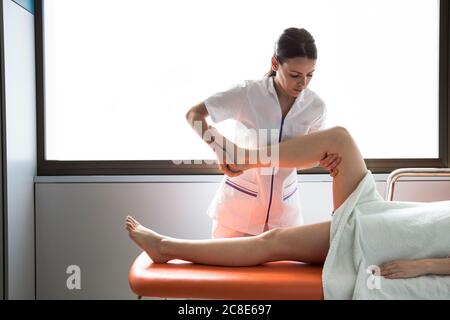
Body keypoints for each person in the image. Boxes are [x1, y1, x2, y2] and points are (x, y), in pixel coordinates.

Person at [125, 126, 450, 284]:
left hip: (385, 241)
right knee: (338, 140)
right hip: (392, 216)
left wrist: (423, 266)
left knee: (273, 242)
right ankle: (244, 159)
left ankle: (166, 248)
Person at [185, 27, 341, 239]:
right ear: (275, 64)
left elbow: (306, 159)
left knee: (282, 273)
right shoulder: (248, 93)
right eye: (295, 75)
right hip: (237, 212)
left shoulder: (315, 107)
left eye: (309, 75)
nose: (302, 83)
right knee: (227, 272)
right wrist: (222, 148)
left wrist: (321, 159)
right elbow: (194, 114)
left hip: (285, 217)